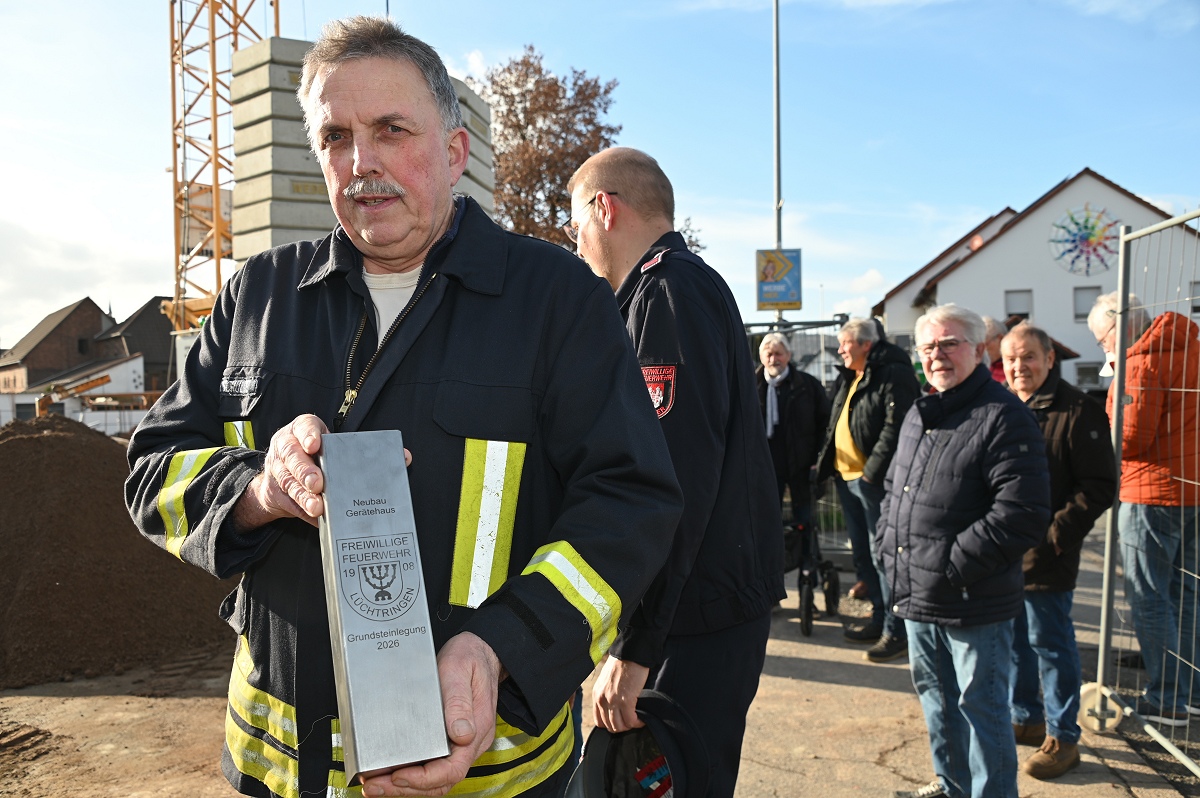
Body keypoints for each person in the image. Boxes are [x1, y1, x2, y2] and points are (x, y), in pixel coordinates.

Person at [124, 18, 684, 798]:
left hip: (486, 774)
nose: (362, 162)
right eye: (336, 137)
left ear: (454, 152)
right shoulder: (258, 295)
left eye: (392, 130)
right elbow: (153, 470)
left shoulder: (557, 302)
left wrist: (498, 647)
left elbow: (630, 503)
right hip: (279, 768)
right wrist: (257, 491)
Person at [565, 146, 784, 798]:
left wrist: (635, 649)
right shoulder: (667, 289)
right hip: (698, 608)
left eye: (575, 225)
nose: (576, 244)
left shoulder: (667, 291)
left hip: (692, 619)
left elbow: (671, 486)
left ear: (604, 209)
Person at [880, 304, 1050, 798]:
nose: (937, 355)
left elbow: (1022, 513)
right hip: (918, 593)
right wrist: (888, 549)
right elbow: (894, 490)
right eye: (928, 346)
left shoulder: (1004, 416)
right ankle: (953, 786)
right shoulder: (921, 411)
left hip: (972, 598)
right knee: (937, 701)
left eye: (949, 343)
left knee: (982, 711)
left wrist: (950, 567)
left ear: (978, 350)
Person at [1000, 323, 1116, 779]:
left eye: (1028, 356)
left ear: (1050, 359)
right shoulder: (1003, 404)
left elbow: (1098, 487)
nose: (1019, 366)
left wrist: (1053, 538)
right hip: (1004, 549)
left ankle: (1063, 737)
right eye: (1011, 358)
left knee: (1050, 644)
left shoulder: (1079, 410)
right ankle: (1026, 717)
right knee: (1015, 642)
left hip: (1049, 552)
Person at [1089, 291, 1200, 726]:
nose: (1103, 348)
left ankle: (1168, 698)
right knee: (1186, 594)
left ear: (1118, 329)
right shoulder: (1189, 350)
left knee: (1149, 596)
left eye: (1102, 340)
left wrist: (1101, 439)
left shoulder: (1139, 363)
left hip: (1151, 492)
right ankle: (1190, 691)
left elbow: (1130, 440)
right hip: (1192, 486)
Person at [816, 317, 920, 662]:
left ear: (865, 344)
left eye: (845, 343)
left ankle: (896, 630)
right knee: (864, 554)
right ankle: (879, 618)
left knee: (884, 557)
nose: (840, 350)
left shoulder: (893, 373)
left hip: (872, 482)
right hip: (848, 480)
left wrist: (872, 474)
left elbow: (896, 425)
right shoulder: (854, 374)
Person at [756, 332, 831, 527]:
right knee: (767, 522)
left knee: (804, 522)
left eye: (778, 354)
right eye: (769, 354)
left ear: (788, 356)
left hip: (802, 465)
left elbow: (825, 423)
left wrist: (819, 459)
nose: (773, 359)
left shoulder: (808, 385)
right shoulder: (752, 386)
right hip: (766, 466)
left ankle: (804, 547)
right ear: (761, 357)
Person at [982, 316, 1007, 382]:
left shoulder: (1013, 369)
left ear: (1000, 339)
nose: (981, 350)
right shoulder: (978, 368)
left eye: (985, 344)